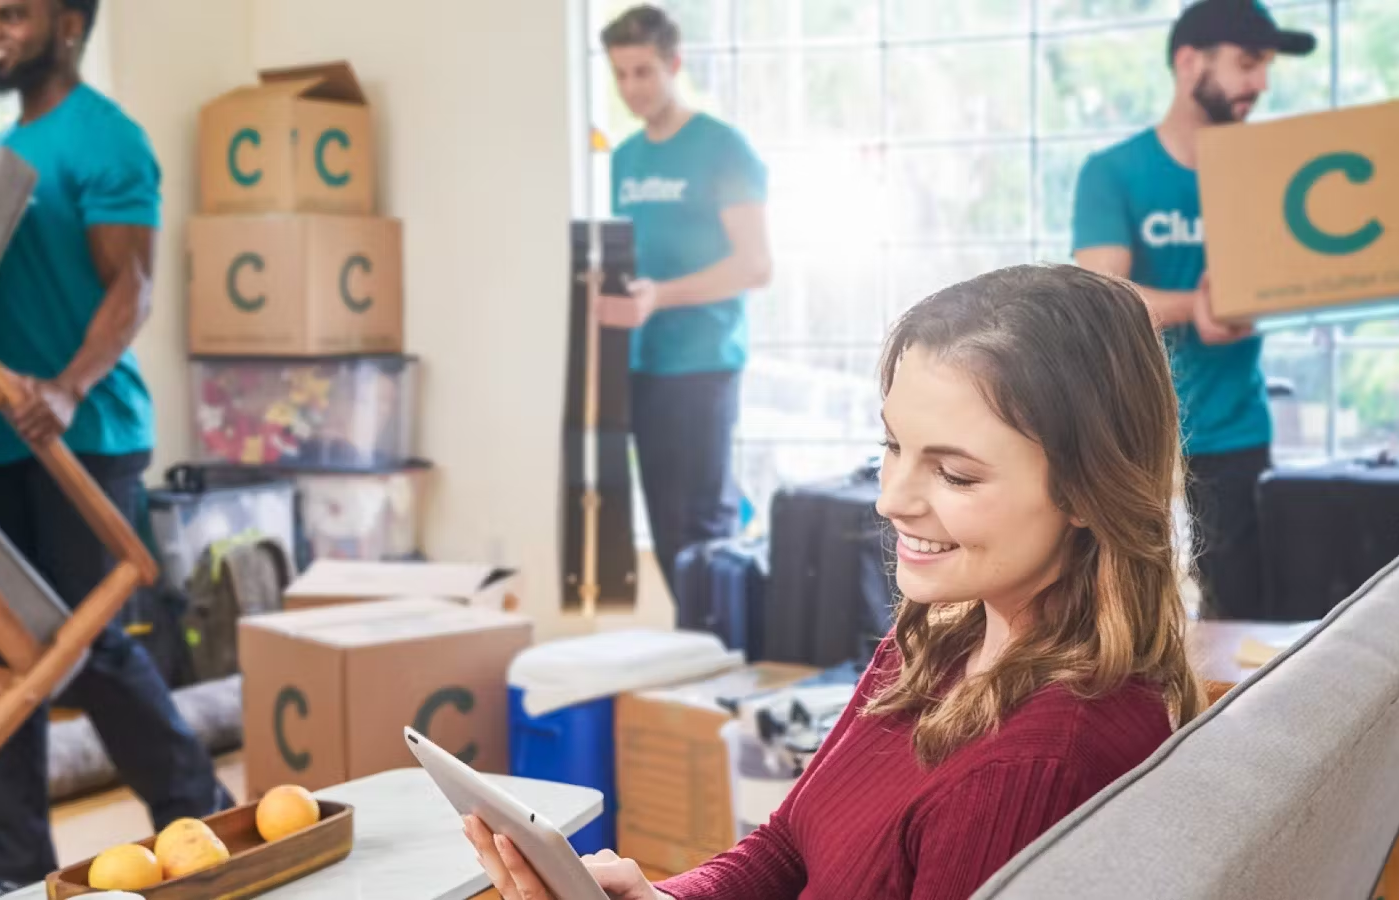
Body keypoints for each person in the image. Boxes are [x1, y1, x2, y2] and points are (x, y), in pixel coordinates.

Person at [463, 264, 1205, 898]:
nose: (891, 499)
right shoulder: (943, 639)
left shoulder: (1035, 769)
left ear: (1089, 490)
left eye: (953, 473)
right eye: (892, 445)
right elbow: (786, 848)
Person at [0, 1, 231, 897]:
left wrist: (65, 387)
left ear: (67, 23)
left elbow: (131, 288)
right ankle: (13, 852)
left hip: (86, 434)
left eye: (12, 14)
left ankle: (200, 811)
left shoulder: (107, 140)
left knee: (82, 642)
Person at [1072, 0, 1315, 620]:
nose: (1259, 83)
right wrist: (1196, 305)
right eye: (1246, 64)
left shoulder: (1265, 174)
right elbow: (1100, 296)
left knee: (1241, 621)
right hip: (1132, 433)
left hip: (1236, 428)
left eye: (1264, 69)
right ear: (1188, 62)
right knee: (1127, 616)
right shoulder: (1114, 172)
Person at [599, 5, 773, 588]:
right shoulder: (622, 159)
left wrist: (662, 296)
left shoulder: (722, 148)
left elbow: (755, 264)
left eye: (643, 72)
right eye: (620, 74)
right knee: (668, 532)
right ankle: (691, 653)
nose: (631, 89)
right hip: (640, 366)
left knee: (703, 530)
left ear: (674, 64)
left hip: (701, 365)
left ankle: (726, 658)